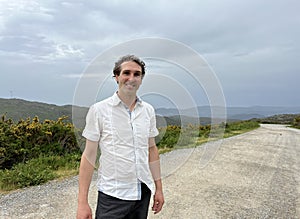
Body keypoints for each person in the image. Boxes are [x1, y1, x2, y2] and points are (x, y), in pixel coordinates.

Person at [76, 55, 164, 219]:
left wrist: (158, 188)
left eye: (137, 74)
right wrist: (82, 203)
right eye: (126, 73)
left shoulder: (148, 111)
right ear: (116, 77)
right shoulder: (99, 110)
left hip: (142, 192)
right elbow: (89, 156)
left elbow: (152, 149)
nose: (131, 78)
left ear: (141, 79)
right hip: (112, 196)